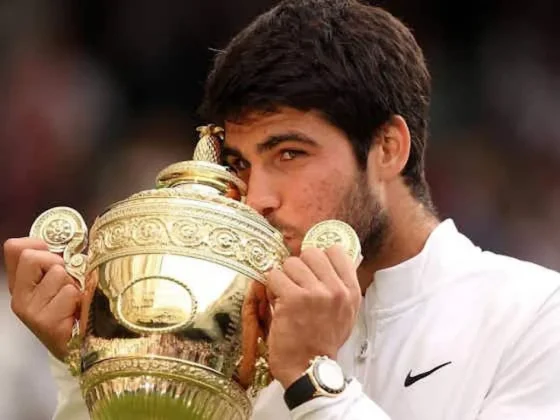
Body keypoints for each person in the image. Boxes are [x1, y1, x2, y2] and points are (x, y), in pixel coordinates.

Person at [4, 0, 560, 419]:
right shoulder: (229, 328)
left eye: (290, 153)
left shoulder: (534, 315)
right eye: (242, 163)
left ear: (388, 148)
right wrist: (88, 363)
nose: (258, 196)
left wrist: (314, 382)